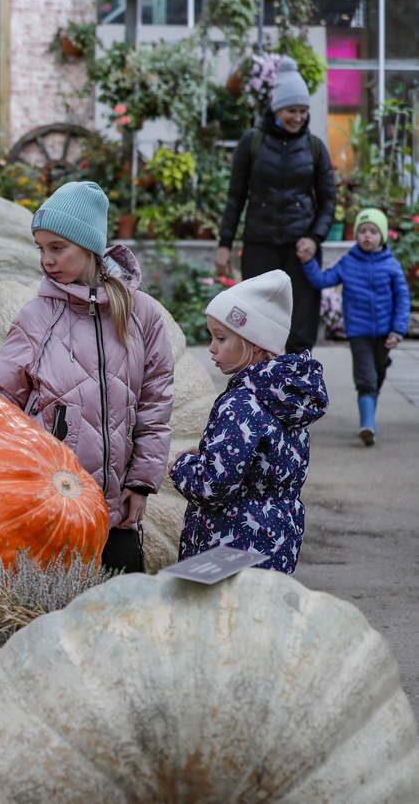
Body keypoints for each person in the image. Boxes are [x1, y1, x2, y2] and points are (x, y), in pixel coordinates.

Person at [0, 181, 175, 572]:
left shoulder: (142, 315)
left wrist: (141, 482)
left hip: (118, 508)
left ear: (89, 246)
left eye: (58, 247)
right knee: (53, 596)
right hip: (52, 500)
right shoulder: (36, 317)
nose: (47, 260)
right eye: (41, 249)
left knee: (124, 597)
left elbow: (155, 407)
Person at [172, 271, 328, 574]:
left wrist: (183, 466)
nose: (212, 347)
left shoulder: (241, 404)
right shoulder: (289, 398)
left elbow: (213, 486)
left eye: (221, 338)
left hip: (229, 546)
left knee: (220, 607)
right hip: (278, 540)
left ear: (254, 343)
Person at [216, 56, 336, 354]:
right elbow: (235, 197)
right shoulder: (252, 142)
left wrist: (314, 238)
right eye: (291, 110)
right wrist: (224, 243)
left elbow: (328, 200)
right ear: (277, 108)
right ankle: (258, 375)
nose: (298, 117)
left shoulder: (314, 147)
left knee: (301, 322)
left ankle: (299, 374)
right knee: (255, 318)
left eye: (303, 111)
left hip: (301, 249)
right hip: (260, 244)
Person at [297, 208, 411, 446]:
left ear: (382, 236)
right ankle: (367, 425)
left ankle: (370, 419)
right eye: (362, 231)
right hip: (359, 332)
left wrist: (398, 331)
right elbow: (322, 280)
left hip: (386, 333)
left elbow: (402, 300)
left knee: (378, 373)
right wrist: (308, 262)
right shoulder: (348, 262)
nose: (367, 235)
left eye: (373, 231)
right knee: (366, 377)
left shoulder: (392, 265)